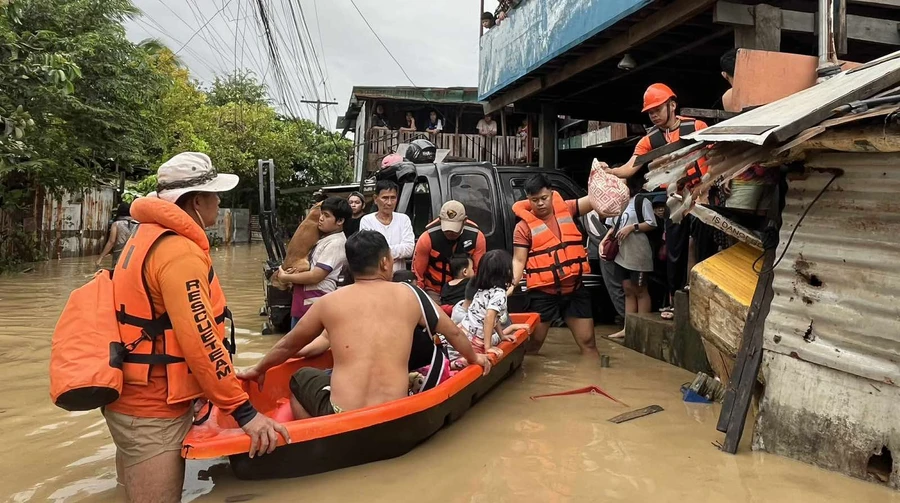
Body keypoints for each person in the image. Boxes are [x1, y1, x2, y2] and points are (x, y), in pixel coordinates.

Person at [102, 152, 288, 503]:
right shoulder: (178, 253)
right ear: (197, 201)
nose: (219, 202)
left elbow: (164, 328)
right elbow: (200, 339)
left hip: (130, 398)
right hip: (153, 410)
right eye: (215, 195)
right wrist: (244, 411)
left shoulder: (144, 236)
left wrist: (220, 379)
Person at [238, 230, 491, 419]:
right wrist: (475, 359)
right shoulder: (412, 295)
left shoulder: (329, 302)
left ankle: (319, 436)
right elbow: (455, 333)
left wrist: (259, 369)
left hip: (342, 411)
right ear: (384, 262)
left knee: (301, 378)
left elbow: (286, 346)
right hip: (396, 408)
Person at [593, 83, 710, 307]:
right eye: (650, 112)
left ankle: (702, 298)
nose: (654, 115)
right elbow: (630, 167)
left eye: (657, 109)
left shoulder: (696, 126)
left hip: (701, 196)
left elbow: (713, 157)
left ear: (672, 105)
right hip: (675, 200)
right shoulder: (649, 140)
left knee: (702, 246)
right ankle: (675, 302)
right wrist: (610, 171)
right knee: (674, 252)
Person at [511, 173, 597, 355]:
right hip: (544, 293)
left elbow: (594, 200)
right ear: (528, 199)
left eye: (543, 198)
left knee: (588, 344)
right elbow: (519, 260)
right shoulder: (523, 227)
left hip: (574, 289)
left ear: (551, 193)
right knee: (532, 346)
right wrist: (512, 284)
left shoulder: (567, 208)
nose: (540, 203)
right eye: (534, 200)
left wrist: (608, 177)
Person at [276, 197, 350, 329]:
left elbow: (316, 276)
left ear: (340, 221)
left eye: (326, 216)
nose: (321, 218)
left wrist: (285, 277)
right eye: (321, 213)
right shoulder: (324, 239)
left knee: (304, 347)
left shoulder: (335, 243)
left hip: (316, 303)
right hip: (305, 303)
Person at [447, 250, 527, 369]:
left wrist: (501, 336)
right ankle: (455, 365)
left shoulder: (482, 291)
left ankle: (453, 363)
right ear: (506, 272)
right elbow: (489, 317)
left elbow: (494, 318)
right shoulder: (499, 294)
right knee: (476, 361)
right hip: (475, 340)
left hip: (464, 332)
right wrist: (488, 347)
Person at [719, 49, 777, 213]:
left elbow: (734, 138)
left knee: (739, 226)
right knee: (763, 228)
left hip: (744, 171)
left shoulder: (729, 97)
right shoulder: (770, 91)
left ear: (725, 74)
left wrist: (727, 172)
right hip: (770, 169)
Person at [600, 178, 658, 339]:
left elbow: (651, 223)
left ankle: (642, 329)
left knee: (640, 290)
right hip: (621, 254)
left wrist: (633, 228)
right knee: (627, 290)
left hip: (638, 253)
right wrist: (604, 241)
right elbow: (612, 226)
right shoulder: (617, 202)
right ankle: (628, 328)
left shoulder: (641, 200)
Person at [412, 200, 487, 302]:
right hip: (435, 291)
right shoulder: (427, 238)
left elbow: (479, 271)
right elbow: (417, 274)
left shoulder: (477, 237)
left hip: (464, 291)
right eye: (447, 228)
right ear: (440, 220)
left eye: (454, 228)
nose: (450, 232)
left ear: (464, 221)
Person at [359, 180, 414, 272]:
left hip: (398, 277)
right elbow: (369, 250)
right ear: (376, 199)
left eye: (393, 198)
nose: (389, 203)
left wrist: (382, 252)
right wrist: (398, 251)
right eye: (385, 198)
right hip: (376, 276)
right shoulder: (367, 220)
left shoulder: (403, 219)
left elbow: (409, 249)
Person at [96, 202, 138, 267]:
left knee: (117, 272)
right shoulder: (139, 225)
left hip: (119, 253)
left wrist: (101, 257)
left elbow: (111, 242)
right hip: (134, 253)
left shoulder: (116, 224)